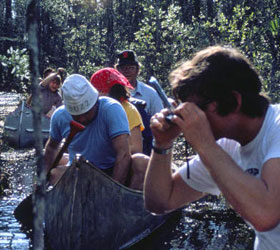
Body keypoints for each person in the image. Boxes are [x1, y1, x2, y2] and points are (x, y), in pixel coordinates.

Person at [144, 46, 280, 250]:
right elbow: (161, 201)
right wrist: (162, 144)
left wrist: (205, 145)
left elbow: (266, 215)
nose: (187, 118)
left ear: (234, 101)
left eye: (194, 109)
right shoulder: (225, 147)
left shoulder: (276, 128)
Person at [45, 74, 147, 190]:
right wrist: (41, 182)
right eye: (77, 117)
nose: (82, 119)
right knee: (55, 174)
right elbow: (51, 148)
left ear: (95, 103)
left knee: (140, 162)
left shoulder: (112, 109)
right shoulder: (60, 116)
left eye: (86, 113)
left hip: (112, 168)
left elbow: (123, 153)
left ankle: (127, 204)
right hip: (81, 171)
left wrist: (113, 191)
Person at [116, 50, 164, 154]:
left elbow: (161, 123)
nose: (127, 71)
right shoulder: (111, 94)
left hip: (147, 147)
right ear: (117, 70)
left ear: (138, 70)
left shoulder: (150, 93)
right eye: (123, 68)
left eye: (131, 68)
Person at [90, 67, 145, 154]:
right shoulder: (93, 110)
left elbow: (137, 148)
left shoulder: (129, 110)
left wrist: (108, 151)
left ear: (105, 91)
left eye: (98, 90)